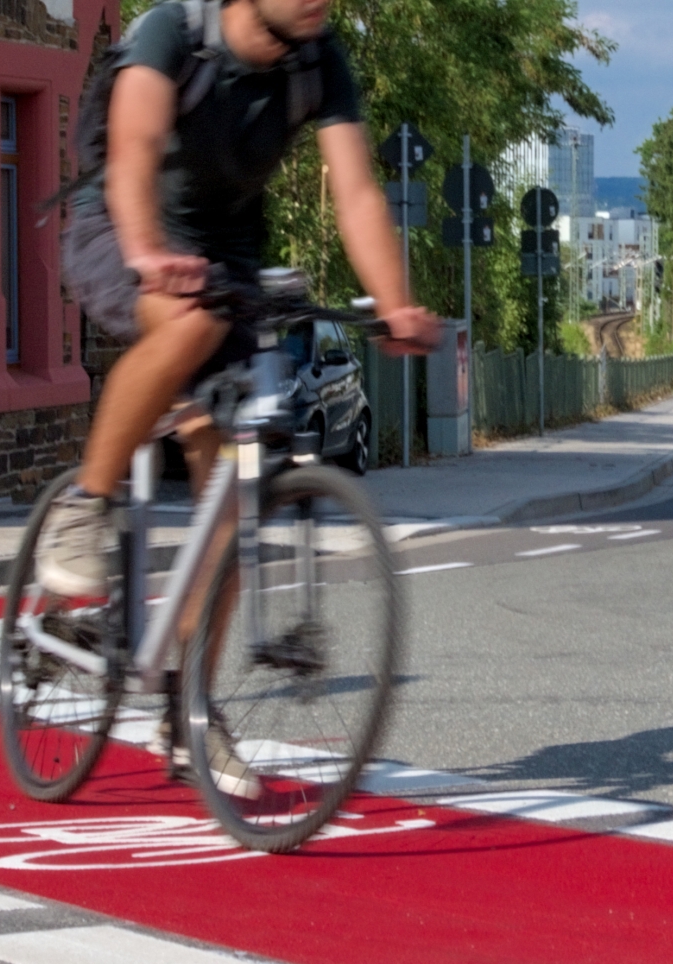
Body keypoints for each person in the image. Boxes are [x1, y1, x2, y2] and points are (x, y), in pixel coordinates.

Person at [41, 0, 438, 786]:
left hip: (227, 257)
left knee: (234, 487)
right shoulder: (175, 32)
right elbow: (135, 145)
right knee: (184, 329)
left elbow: (355, 192)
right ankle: (84, 507)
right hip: (121, 227)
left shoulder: (316, 61)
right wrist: (150, 252)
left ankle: (187, 708)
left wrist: (395, 301)